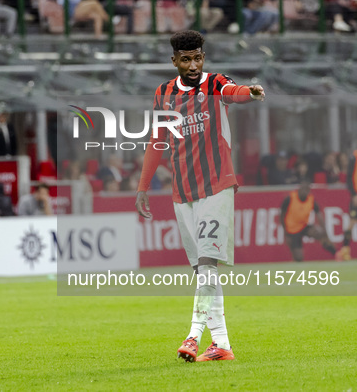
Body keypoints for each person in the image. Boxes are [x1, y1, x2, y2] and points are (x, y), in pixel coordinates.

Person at [135, 31, 265, 362]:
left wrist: (248, 92)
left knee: (207, 265)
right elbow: (156, 141)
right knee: (203, 272)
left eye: (198, 57)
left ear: (203, 57)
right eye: (186, 59)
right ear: (174, 60)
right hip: (183, 193)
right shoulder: (163, 94)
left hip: (217, 186)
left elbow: (233, 92)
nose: (193, 65)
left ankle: (193, 335)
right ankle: (221, 343)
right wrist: (143, 186)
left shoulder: (215, 83)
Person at [280, 181, 337, 262]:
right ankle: (296, 262)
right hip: (292, 230)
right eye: (303, 190)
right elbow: (281, 216)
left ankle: (336, 253)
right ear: (299, 190)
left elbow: (320, 218)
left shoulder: (311, 200)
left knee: (320, 233)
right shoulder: (290, 198)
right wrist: (286, 233)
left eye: (307, 190)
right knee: (298, 257)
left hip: (303, 226)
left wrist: (326, 235)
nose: (305, 192)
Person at [336, 150, 357, 261]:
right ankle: (345, 250)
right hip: (356, 196)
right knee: (352, 223)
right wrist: (354, 194)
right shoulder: (354, 157)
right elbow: (349, 177)